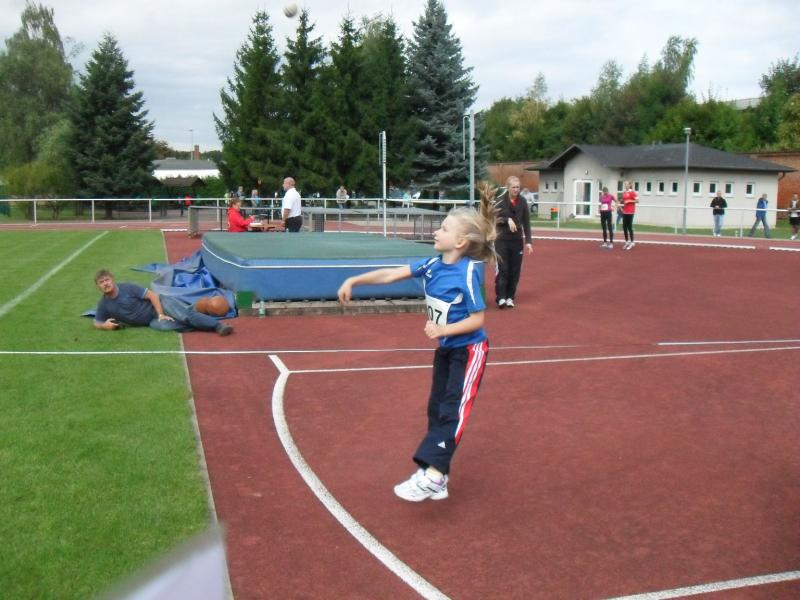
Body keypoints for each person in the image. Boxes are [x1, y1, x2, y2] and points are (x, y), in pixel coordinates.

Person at [337, 207, 494, 502]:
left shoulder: (467, 273)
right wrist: (354, 280)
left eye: (444, 228)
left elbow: (478, 319)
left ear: (460, 242)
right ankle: (440, 477)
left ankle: (433, 476)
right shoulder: (432, 265)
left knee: (453, 412)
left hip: (469, 351)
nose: (436, 231)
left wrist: (443, 330)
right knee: (436, 410)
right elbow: (391, 275)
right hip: (447, 350)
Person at [92, 270, 233, 335]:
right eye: (101, 282)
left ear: (113, 280)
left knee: (184, 316)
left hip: (161, 304)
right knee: (169, 327)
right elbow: (96, 322)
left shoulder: (127, 287)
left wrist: (160, 314)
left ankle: (218, 326)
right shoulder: (104, 304)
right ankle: (199, 315)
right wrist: (104, 325)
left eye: (107, 280)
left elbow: (152, 295)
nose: (105, 283)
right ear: (98, 287)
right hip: (151, 321)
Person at [494, 176, 533, 308]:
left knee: (515, 270)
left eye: (518, 187)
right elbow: (494, 218)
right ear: (508, 187)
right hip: (502, 240)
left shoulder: (522, 201)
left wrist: (528, 241)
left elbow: (526, 222)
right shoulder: (499, 201)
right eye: (514, 187)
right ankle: (501, 297)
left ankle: (510, 297)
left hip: (517, 241)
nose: (516, 190)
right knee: (503, 269)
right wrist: (507, 220)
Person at [621, 181, 638, 250]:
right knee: (624, 227)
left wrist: (629, 201)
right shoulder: (624, 193)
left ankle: (632, 242)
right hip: (625, 212)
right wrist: (621, 206)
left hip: (630, 212)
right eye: (625, 184)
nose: (625, 185)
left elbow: (637, 201)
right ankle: (626, 241)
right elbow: (623, 201)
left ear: (629, 185)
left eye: (627, 184)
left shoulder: (632, 192)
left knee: (629, 227)